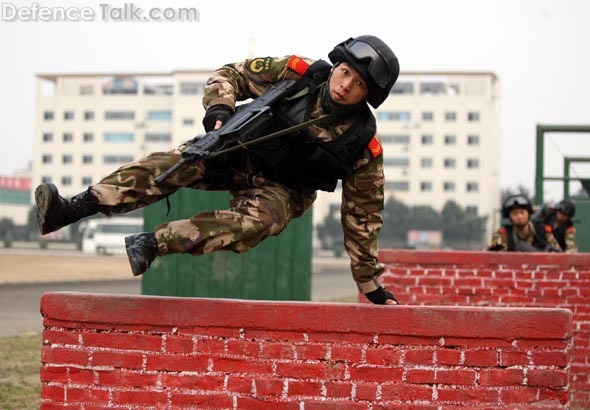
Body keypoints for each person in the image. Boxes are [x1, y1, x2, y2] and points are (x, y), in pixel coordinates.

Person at [34, 35, 401, 305]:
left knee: (258, 223)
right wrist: (220, 112)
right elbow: (231, 75)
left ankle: (153, 244)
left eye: (358, 85)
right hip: (237, 149)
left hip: (280, 192)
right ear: (337, 64)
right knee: (169, 166)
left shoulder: (362, 146)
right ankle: (70, 210)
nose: (345, 85)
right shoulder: (297, 74)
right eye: (345, 72)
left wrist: (369, 284)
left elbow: (362, 218)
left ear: (367, 96)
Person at [487, 194, 562, 252]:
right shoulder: (502, 233)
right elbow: (487, 253)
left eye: (522, 213)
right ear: (510, 217)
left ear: (528, 214)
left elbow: (558, 253)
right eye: (515, 214)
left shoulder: (542, 231)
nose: (519, 217)